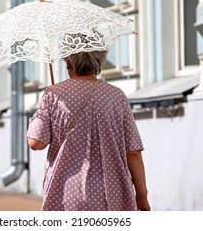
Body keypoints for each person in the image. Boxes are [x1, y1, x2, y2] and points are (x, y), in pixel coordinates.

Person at [27, 49, 150, 211]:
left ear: (69, 62)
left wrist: (43, 113)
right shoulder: (117, 96)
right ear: (99, 62)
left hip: (66, 192)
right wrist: (141, 195)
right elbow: (133, 152)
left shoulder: (54, 94)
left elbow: (35, 143)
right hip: (113, 193)